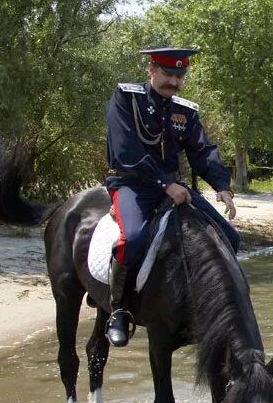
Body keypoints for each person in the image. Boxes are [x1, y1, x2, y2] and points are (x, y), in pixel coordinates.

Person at [103, 46, 240, 346]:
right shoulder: (127, 98)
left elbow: (202, 151)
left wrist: (222, 186)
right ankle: (119, 310)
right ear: (151, 69)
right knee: (134, 240)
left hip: (176, 190)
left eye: (180, 76)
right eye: (168, 74)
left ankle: (207, 307)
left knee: (231, 237)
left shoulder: (185, 112)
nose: (174, 83)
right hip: (132, 185)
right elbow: (127, 150)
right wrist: (165, 184)